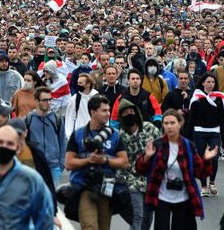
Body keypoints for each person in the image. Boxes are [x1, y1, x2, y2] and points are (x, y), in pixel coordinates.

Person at [135, 109, 218, 230]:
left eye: (172, 123)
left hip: (183, 198)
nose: (169, 126)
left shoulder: (188, 146)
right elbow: (140, 170)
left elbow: (200, 173)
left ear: (180, 124)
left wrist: (206, 159)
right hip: (161, 197)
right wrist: (147, 157)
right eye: (166, 123)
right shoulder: (157, 145)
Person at [65, 94, 129, 230]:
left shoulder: (115, 134)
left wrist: (105, 160)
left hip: (107, 186)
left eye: (108, 110)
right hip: (84, 187)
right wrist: (89, 160)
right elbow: (69, 163)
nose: (108, 114)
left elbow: (124, 162)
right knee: (90, 227)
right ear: (93, 112)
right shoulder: (78, 135)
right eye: (104, 110)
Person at [117, 98, 162, 230]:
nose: (129, 114)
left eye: (131, 111)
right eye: (125, 113)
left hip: (151, 180)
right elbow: (120, 162)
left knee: (148, 217)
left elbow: (162, 149)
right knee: (138, 215)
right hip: (132, 181)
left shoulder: (149, 128)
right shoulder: (121, 136)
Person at [186, 73, 224, 197]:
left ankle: (212, 181)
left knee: (214, 158)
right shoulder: (196, 99)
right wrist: (189, 138)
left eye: (213, 82)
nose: (211, 85)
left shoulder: (219, 99)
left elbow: (222, 120)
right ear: (203, 83)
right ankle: (203, 185)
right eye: (208, 82)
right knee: (202, 159)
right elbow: (191, 120)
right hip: (199, 132)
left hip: (214, 132)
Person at [25, 86, 66, 186]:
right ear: (36, 101)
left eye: (50, 99)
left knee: (52, 199)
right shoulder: (27, 120)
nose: (48, 102)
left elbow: (63, 142)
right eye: (45, 100)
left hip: (54, 167)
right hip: (35, 167)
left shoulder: (57, 119)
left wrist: (61, 164)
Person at [65, 73, 99, 139]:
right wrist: (69, 136)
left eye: (80, 83)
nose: (78, 85)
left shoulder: (97, 97)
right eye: (78, 83)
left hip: (95, 135)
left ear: (88, 84)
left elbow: (103, 116)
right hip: (79, 135)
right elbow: (70, 118)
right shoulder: (74, 99)